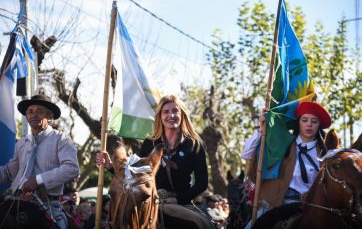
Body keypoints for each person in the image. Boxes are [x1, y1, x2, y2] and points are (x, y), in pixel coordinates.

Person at [96, 95, 213, 229]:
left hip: (181, 204)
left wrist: (178, 199)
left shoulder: (194, 145)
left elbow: (202, 183)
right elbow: (136, 175)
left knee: (200, 224)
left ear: (182, 114)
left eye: (175, 111)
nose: (171, 115)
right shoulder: (149, 143)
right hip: (150, 201)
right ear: (160, 117)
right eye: (166, 112)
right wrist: (110, 166)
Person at [0, 94, 80, 229]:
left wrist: (38, 180)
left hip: (47, 206)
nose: (33, 115)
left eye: (39, 111)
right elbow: (9, 172)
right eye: (30, 111)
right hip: (16, 202)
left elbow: (72, 169)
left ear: (49, 116)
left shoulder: (61, 140)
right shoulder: (22, 143)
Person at [241, 101, 331, 219]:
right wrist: (261, 130)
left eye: (314, 121)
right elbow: (246, 155)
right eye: (304, 120)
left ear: (318, 125)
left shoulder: (326, 155)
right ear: (298, 123)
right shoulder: (282, 144)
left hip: (310, 208)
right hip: (275, 205)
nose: (309, 124)